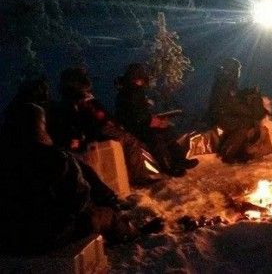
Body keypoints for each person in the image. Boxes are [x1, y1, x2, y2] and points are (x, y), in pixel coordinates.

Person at [0, 103, 161, 254]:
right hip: (49, 237)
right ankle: (131, 233)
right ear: (40, 126)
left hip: (11, 240)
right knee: (105, 215)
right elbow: (79, 198)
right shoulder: (55, 158)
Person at [48, 67, 162, 185]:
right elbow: (96, 117)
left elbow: (100, 115)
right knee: (131, 142)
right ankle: (139, 177)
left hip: (99, 129)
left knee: (132, 141)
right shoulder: (79, 100)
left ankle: (136, 174)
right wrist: (109, 123)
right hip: (99, 131)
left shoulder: (76, 99)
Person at [115, 63, 198, 176]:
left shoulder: (136, 90)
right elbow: (132, 116)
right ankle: (168, 167)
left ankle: (180, 160)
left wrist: (154, 120)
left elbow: (141, 112)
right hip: (133, 127)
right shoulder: (128, 93)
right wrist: (152, 122)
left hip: (141, 123)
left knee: (167, 131)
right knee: (155, 137)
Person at [206, 58, 272, 163]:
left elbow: (234, 99)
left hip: (224, 113)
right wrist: (248, 112)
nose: (238, 72)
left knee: (248, 121)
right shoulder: (226, 83)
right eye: (237, 69)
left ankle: (238, 151)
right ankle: (228, 154)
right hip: (221, 115)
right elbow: (230, 103)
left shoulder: (226, 81)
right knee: (244, 125)